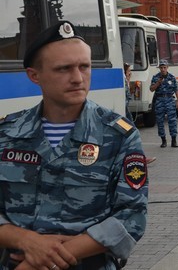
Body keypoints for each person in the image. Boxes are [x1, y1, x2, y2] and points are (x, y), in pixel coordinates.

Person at [0, 21, 147, 269]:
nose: (78, 78)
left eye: (84, 67)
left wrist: (42, 260)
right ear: (34, 75)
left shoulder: (119, 135)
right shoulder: (7, 134)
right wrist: (26, 240)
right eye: (63, 69)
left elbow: (132, 216)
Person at [150, 59, 178, 148]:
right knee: (160, 121)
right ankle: (163, 140)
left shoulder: (172, 77)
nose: (163, 69)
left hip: (170, 100)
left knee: (172, 121)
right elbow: (151, 89)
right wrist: (158, 83)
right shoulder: (155, 77)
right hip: (159, 100)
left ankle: (174, 141)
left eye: (164, 67)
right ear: (159, 68)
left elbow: (176, 90)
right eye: (161, 67)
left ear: (167, 68)